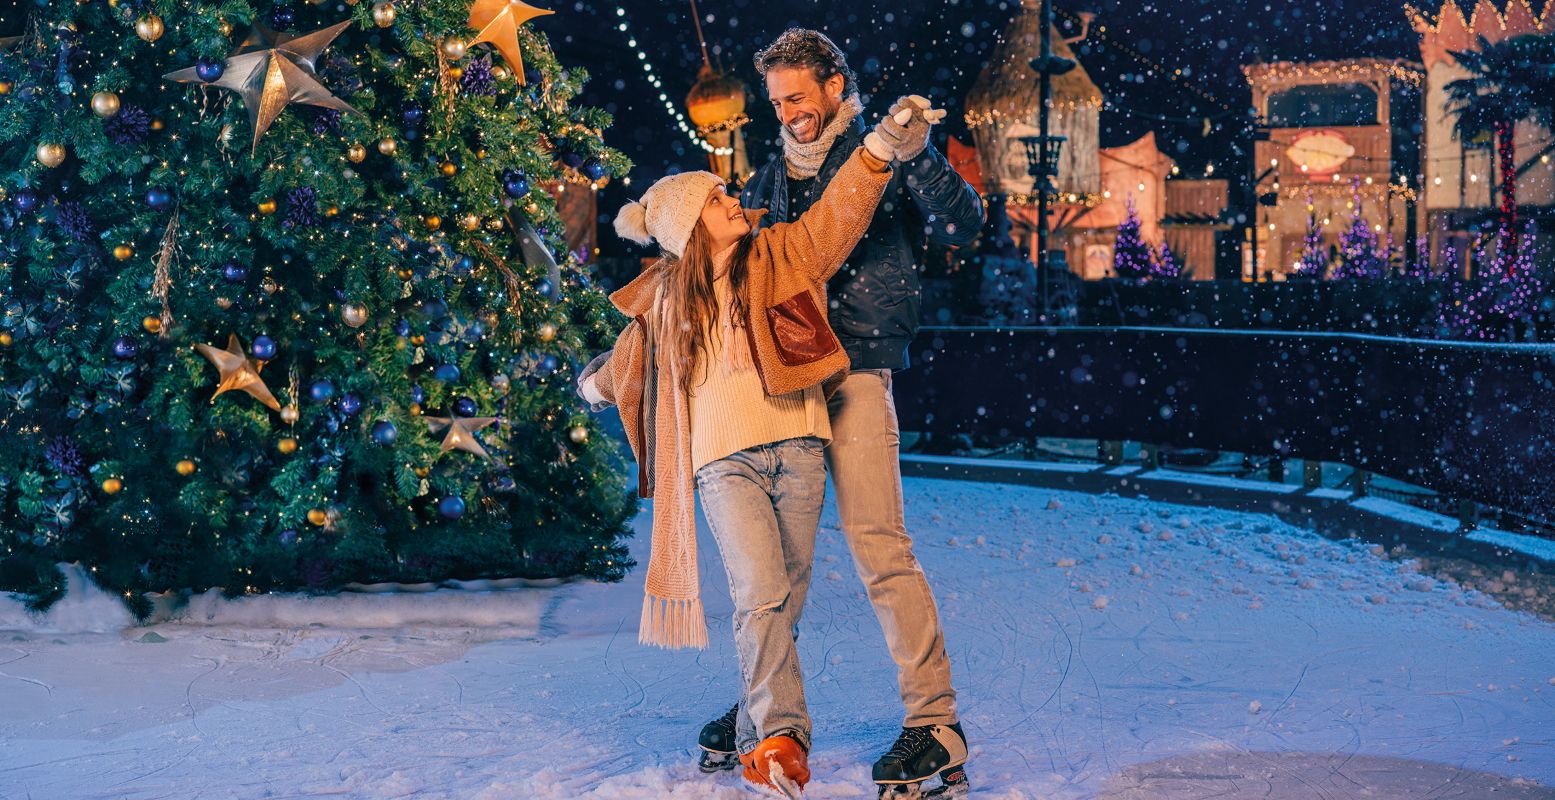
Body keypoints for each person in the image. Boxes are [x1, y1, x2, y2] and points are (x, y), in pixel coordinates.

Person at [578, 105, 934, 796]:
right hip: (723, 463)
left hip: (799, 449)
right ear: (688, 223)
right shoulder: (664, 300)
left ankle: (750, 722)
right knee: (759, 595)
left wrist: (880, 148)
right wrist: (591, 387)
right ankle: (778, 737)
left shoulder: (778, 257)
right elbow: (628, 364)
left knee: (784, 599)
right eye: (716, 200)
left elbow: (836, 216)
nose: (733, 200)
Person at [696, 28, 984, 800]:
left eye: (797, 96)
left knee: (878, 546)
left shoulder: (885, 149)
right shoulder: (767, 176)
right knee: (777, 568)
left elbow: (964, 224)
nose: (787, 112)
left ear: (833, 86)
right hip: (783, 381)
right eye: (777, 101)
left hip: (853, 368)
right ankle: (771, 710)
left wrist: (917, 150)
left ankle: (935, 722)